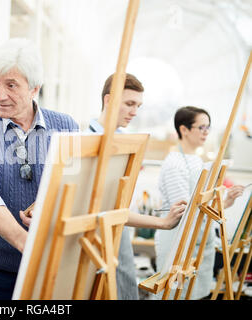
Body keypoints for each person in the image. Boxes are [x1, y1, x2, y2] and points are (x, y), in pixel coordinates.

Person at [20, 73, 187, 300]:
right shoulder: (85, 147)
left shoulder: (125, 144)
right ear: (108, 100)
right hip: (94, 242)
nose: (134, 111)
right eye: (129, 103)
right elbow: (94, 205)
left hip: (116, 237)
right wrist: (162, 223)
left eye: (138, 105)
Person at [0, 38, 79, 300]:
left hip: (51, 269)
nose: (0, 95)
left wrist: (50, 211)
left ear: (35, 88)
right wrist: (29, 245)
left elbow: (78, 189)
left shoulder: (66, 127)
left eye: (11, 85)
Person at [154, 106, 245, 299]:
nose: (206, 132)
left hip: (197, 240)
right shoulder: (174, 164)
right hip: (178, 241)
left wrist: (226, 201)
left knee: (196, 293)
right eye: (201, 127)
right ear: (184, 129)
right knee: (173, 294)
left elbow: (201, 206)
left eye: (208, 127)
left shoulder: (195, 160)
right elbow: (184, 211)